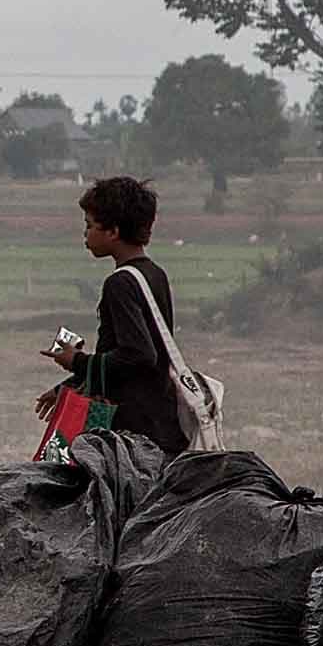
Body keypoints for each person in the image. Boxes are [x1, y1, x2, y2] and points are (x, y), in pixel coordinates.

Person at [40, 174, 194, 457]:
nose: (85, 234)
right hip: (160, 420)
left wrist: (75, 360)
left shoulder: (119, 283)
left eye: (89, 225)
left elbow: (139, 355)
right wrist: (73, 385)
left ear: (113, 231)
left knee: (61, 478)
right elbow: (139, 360)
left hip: (132, 430)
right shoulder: (154, 274)